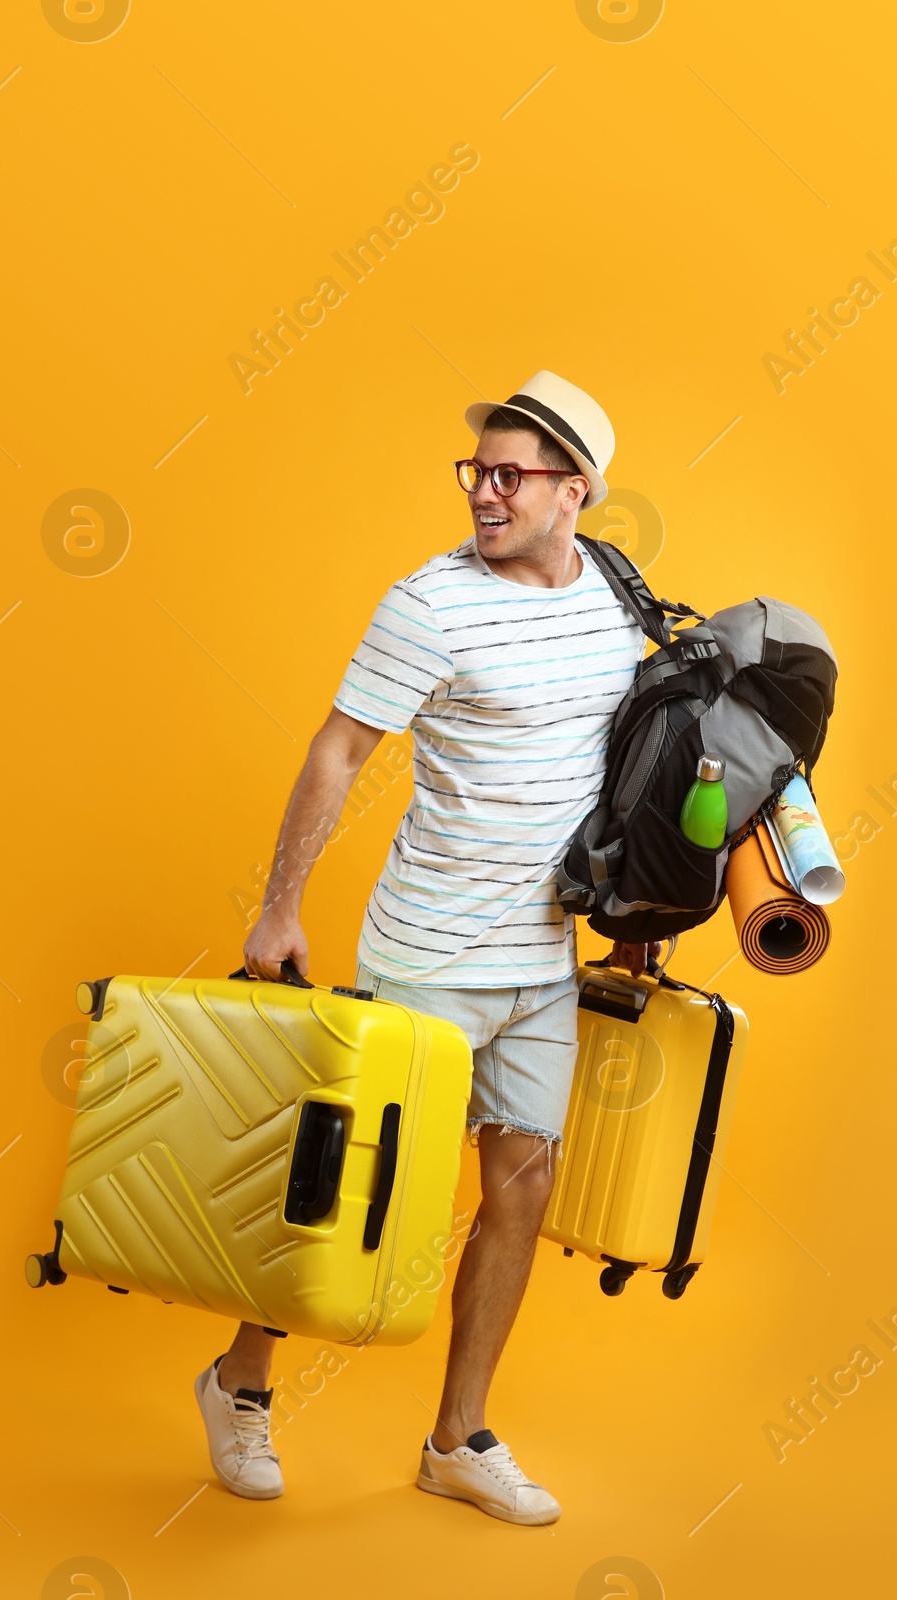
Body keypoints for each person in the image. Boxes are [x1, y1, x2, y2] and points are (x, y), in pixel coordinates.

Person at [195, 371, 658, 1526]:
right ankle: (239, 1380)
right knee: (353, 1187)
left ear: (575, 489)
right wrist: (279, 908)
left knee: (522, 1188)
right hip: (429, 953)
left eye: (509, 476)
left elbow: (633, 767)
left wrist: (635, 919)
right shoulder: (429, 605)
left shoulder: (615, 593)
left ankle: (457, 1438)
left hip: (541, 958)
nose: (483, 494)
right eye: (475, 472)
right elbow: (338, 751)